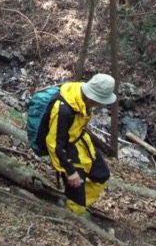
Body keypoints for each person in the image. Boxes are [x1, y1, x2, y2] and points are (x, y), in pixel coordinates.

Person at [45, 74, 117, 216]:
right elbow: (54, 143)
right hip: (66, 152)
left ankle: (77, 204)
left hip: (81, 143)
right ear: (92, 98)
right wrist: (70, 172)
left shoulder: (81, 95)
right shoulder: (63, 109)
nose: (102, 105)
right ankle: (74, 214)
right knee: (76, 193)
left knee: (102, 176)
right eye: (101, 101)